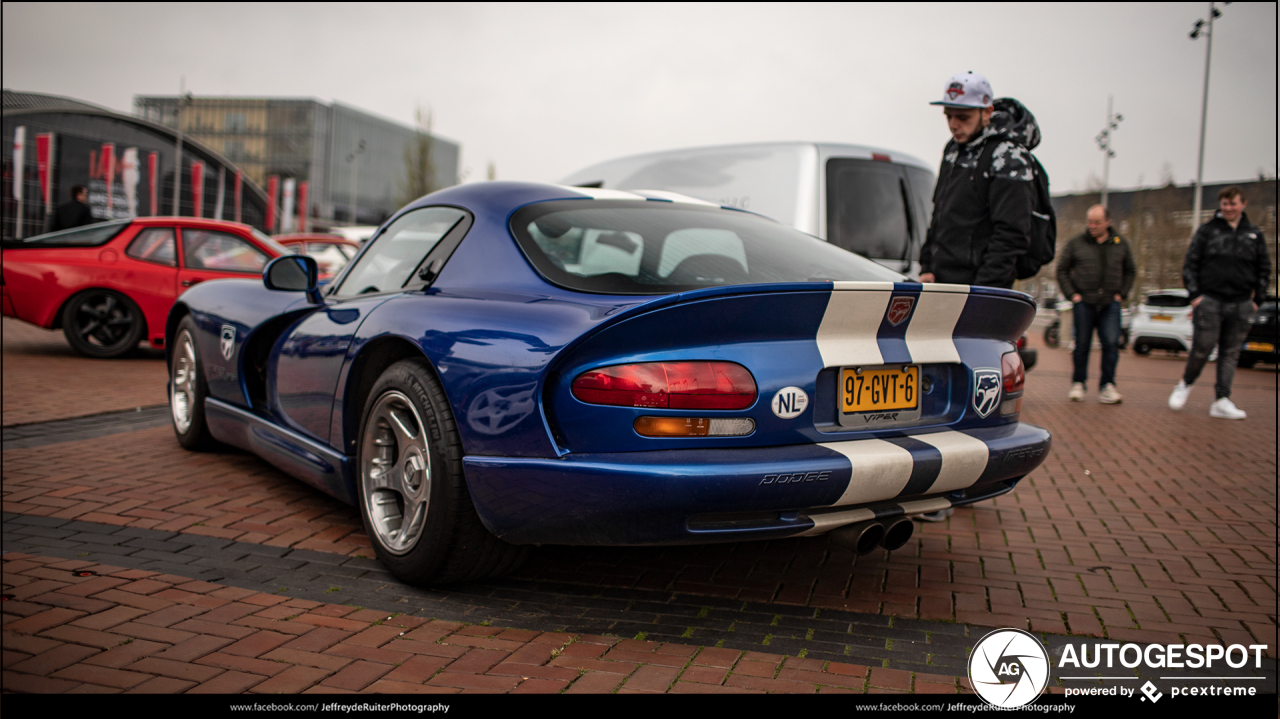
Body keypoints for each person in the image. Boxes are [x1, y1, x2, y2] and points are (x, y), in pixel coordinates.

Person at [918, 71, 1039, 290]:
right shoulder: (953, 149)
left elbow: (1011, 234)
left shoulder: (1008, 155)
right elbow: (940, 213)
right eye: (949, 116)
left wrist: (984, 290)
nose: (954, 125)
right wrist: (927, 265)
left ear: (987, 112)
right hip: (941, 282)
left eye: (963, 117)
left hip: (979, 288)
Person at [1168, 187, 1270, 419]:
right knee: (1202, 347)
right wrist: (1195, 296)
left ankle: (1221, 399)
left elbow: (1264, 268)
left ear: (1243, 204)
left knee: (1230, 353)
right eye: (1224, 204)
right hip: (1210, 301)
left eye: (1232, 204)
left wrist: (1258, 300)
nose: (1228, 208)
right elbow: (1190, 263)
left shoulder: (1254, 234)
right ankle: (1185, 384)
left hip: (1242, 303)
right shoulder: (1207, 231)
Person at [1056, 204, 1135, 404]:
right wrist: (1072, 295)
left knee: (1111, 344)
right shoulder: (1076, 244)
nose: (1092, 226)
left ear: (1107, 222)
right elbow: (1062, 270)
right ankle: (1078, 383)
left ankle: (1107, 386)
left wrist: (1121, 294)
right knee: (1081, 345)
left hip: (1110, 303)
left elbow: (1130, 271)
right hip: (1084, 302)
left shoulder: (1120, 244)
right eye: (1090, 222)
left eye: (1097, 222)